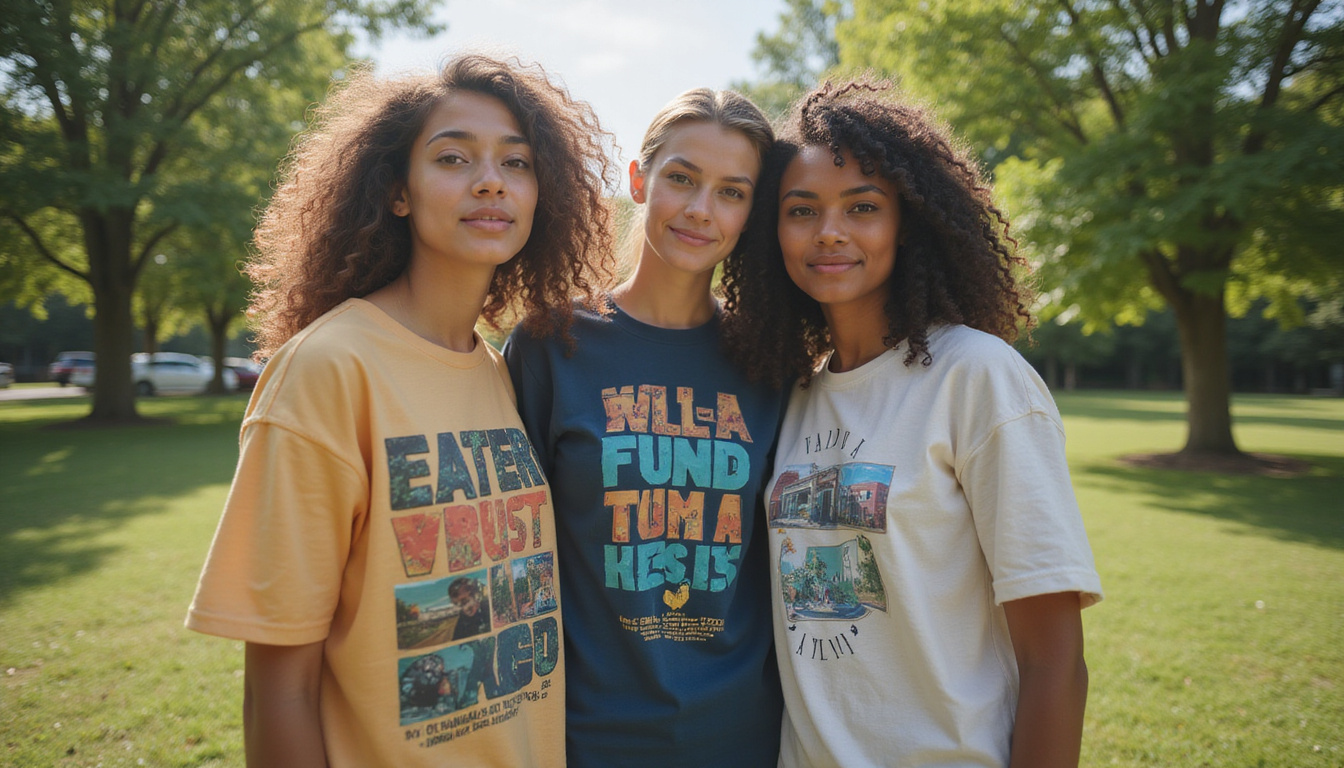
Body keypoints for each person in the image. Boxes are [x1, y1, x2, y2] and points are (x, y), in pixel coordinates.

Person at [185, 53, 616, 768]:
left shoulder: (496, 369)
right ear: (397, 192)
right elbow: (277, 693)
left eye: (516, 164)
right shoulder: (328, 369)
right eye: (453, 158)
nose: (489, 182)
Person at [721, 81, 1104, 768]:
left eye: (862, 207)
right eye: (801, 210)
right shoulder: (793, 389)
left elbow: (1055, 661)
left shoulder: (978, 377)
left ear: (910, 222)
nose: (829, 231)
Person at [503, 88, 784, 767]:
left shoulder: (771, 363)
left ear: (752, 211)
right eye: (682, 179)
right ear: (639, 180)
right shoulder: (551, 345)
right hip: (585, 735)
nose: (700, 209)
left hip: (744, 735)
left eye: (731, 192)